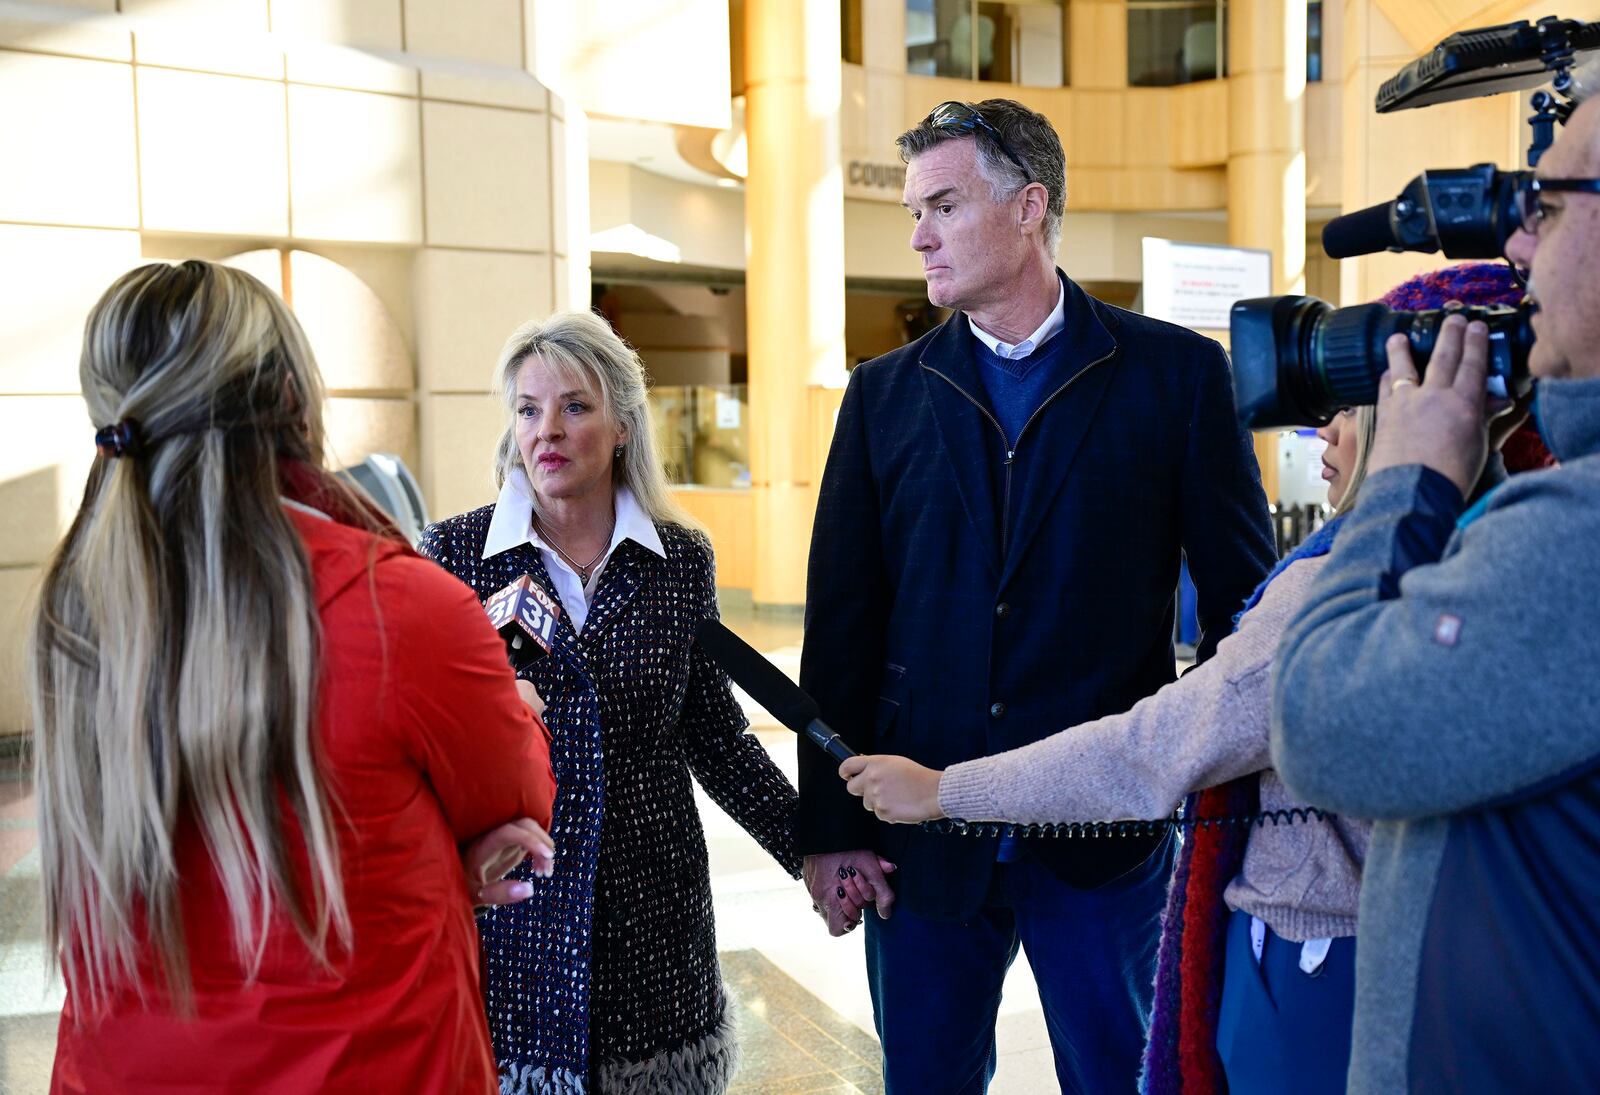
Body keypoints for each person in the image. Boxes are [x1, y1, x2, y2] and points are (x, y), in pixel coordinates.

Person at [833, 255, 1540, 1095]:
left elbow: (1159, 743)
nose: (1322, 434)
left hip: (1294, 945)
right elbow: (846, 609)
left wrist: (944, 789)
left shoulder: (1329, 580)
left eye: (1345, 409)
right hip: (1436, 948)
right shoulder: (1516, 554)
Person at [798, 98, 1278, 1093]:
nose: (920, 236)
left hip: (1102, 843)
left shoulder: (1177, 377)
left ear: (1029, 208)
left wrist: (1239, 810)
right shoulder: (884, 396)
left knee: (1122, 1079)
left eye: (943, 206)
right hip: (922, 852)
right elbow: (841, 622)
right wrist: (830, 832)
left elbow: (1243, 612)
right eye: (913, 214)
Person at [30, 260, 557, 1095]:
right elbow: (516, 798)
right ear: (289, 398)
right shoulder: (400, 607)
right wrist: (514, 714)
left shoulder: (79, 613)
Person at [1270, 94, 1600, 1093]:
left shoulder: (1575, 538)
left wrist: (1402, 486)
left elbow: (1321, 723)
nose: (1517, 245)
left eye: (1543, 208)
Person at [416, 310, 801, 1094]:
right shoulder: (454, 556)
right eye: (528, 409)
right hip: (516, 922)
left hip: (656, 928)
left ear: (623, 425)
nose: (546, 430)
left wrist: (818, 851)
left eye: (574, 406)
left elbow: (717, 738)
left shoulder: (679, 560)